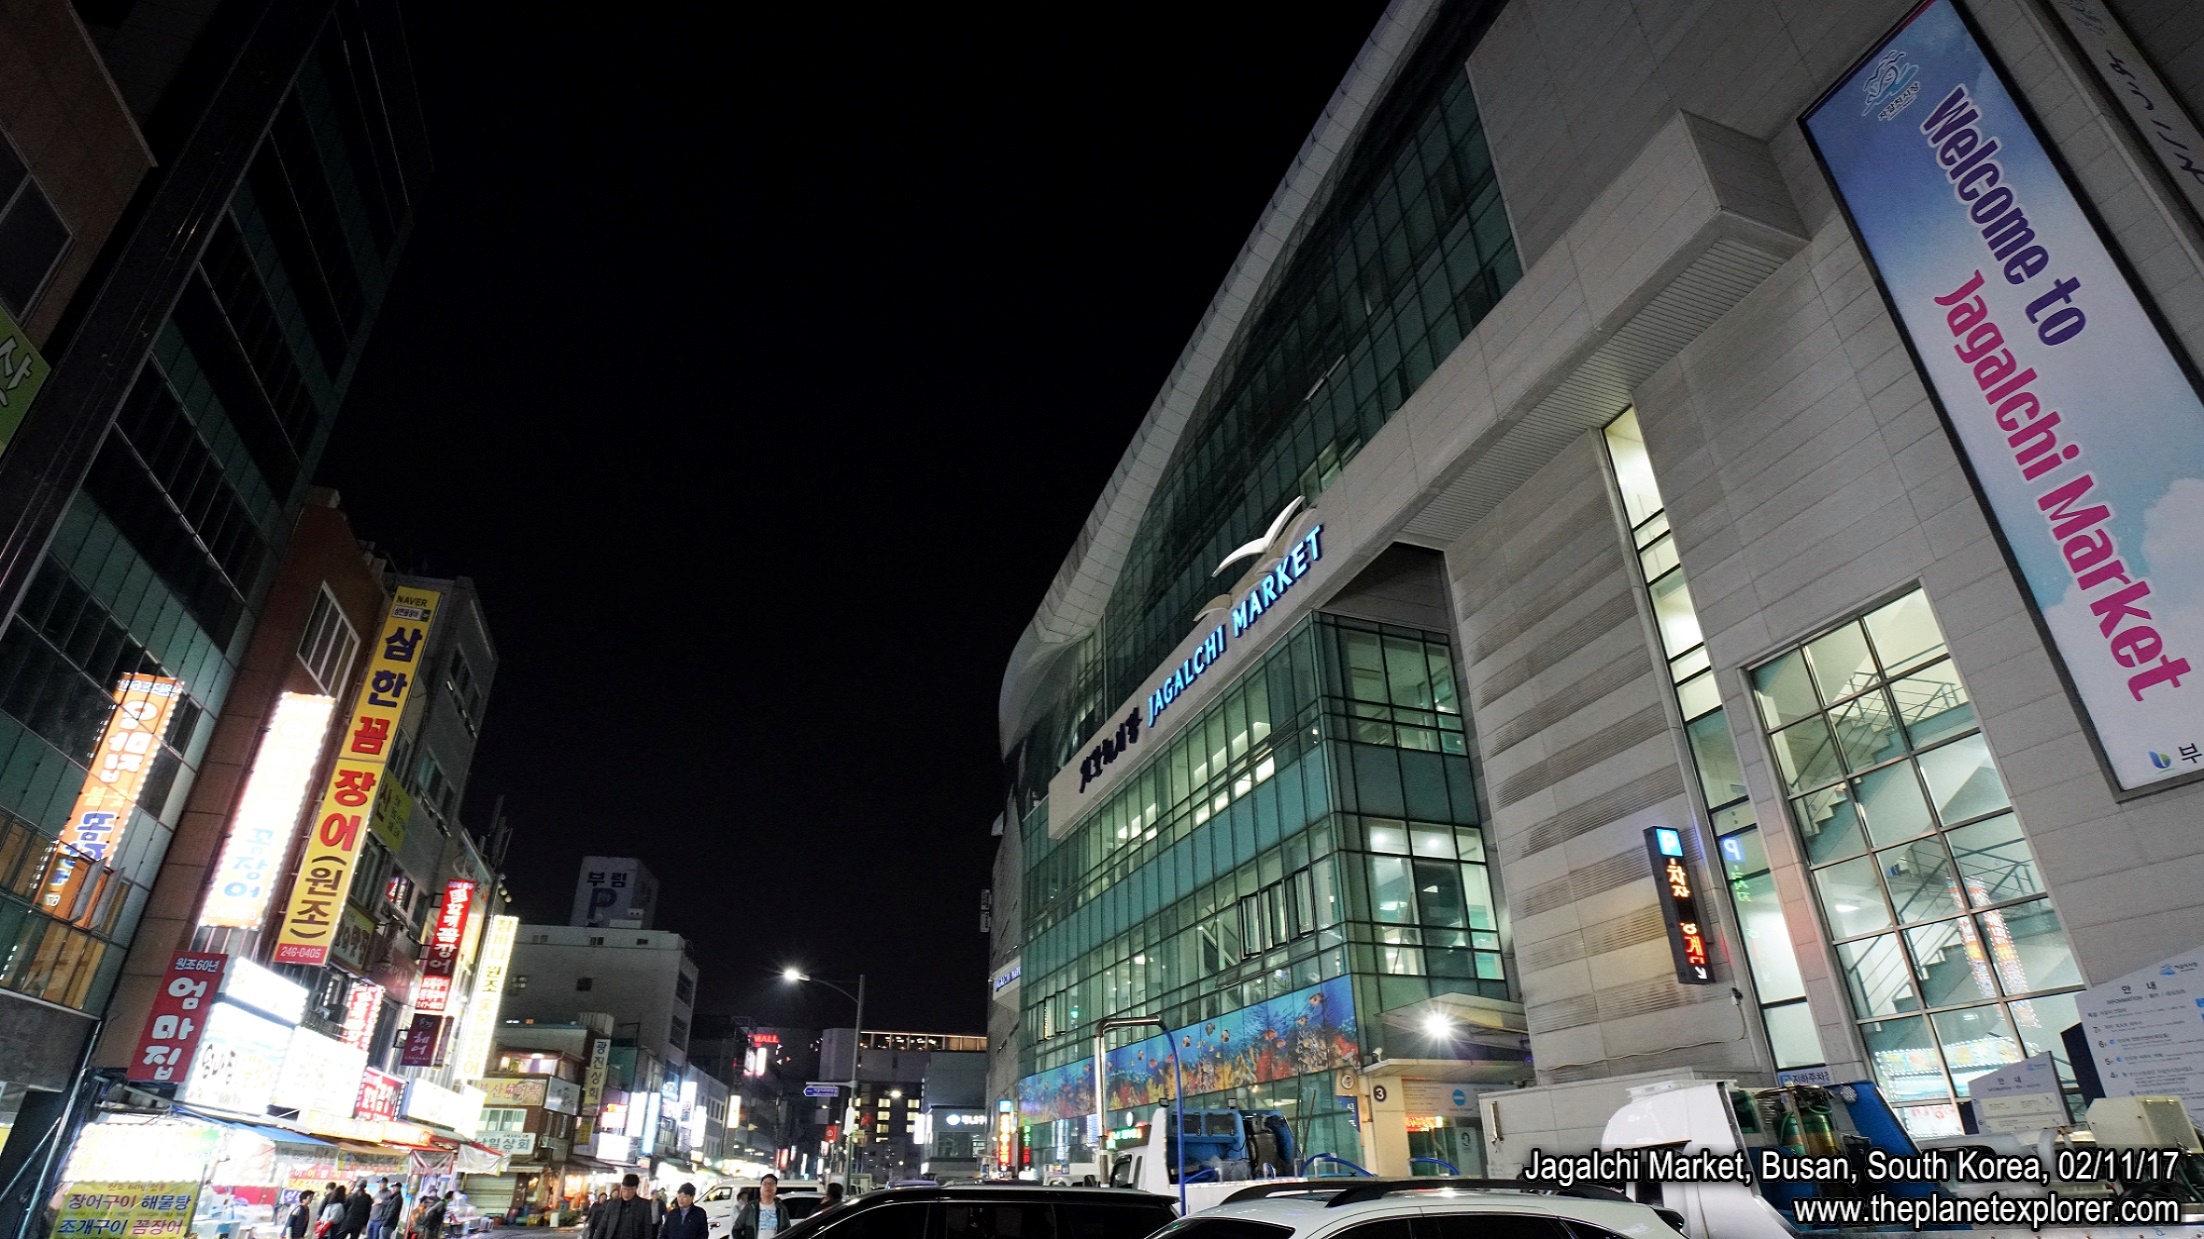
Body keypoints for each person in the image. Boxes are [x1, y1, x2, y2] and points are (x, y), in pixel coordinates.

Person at [584, 1174, 652, 1239]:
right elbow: (602, 1225)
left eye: (630, 1190)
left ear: (636, 1188)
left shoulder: (644, 1205)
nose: (626, 1193)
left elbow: (647, 1230)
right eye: (624, 1189)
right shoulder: (613, 1204)